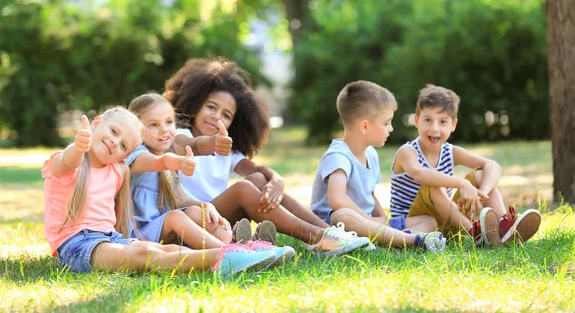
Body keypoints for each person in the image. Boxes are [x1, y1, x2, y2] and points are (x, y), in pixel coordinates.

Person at [164, 57, 370, 256]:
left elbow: (255, 170)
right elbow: (192, 146)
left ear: (233, 124)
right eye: (211, 107)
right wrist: (211, 144)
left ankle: (332, 233)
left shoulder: (225, 149)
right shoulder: (180, 136)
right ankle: (316, 237)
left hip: (217, 219)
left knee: (258, 180)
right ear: (194, 104)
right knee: (243, 189)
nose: (216, 117)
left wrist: (276, 180)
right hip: (190, 220)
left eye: (226, 115)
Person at [42, 106, 278, 277]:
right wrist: (78, 146)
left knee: (167, 249)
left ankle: (247, 251)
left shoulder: (116, 170)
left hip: (109, 238)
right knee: (146, 254)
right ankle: (230, 257)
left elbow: (161, 161)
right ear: (97, 123)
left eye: (123, 145)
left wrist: (181, 163)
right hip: (77, 246)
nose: (115, 142)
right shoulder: (70, 163)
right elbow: (67, 161)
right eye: (113, 132)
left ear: (125, 156)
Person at [127, 92, 295, 265]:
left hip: (162, 231)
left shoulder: (167, 165)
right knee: (176, 217)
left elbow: (180, 200)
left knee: (198, 213)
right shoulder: (136, 156)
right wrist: (180, 162)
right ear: (135, 130)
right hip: (139, 236)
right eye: (153, 125)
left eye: (169, 122)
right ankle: (229, 255)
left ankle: (243, 246)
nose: (164, 129)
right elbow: (160, 162)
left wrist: (205, 206)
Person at [390, 84, 541, 247]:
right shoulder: (407, 151)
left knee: (481, 174)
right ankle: (476, 233)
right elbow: (419, 174)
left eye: (442, 122)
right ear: (417, 121)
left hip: (448, 222)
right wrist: (462, 183)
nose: (434, 128)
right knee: (434, 185)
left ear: (453, 125)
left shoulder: (450, 151)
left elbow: (493, 165)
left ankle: (504, 227)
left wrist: (481, 193)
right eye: (428, 120)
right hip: (414, 224)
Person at [310, 81, 446, 253]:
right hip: (336, 227)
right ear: (365, 126)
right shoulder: (338, 156)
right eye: (386, 123)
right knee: (342, 215)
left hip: (369, 222)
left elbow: (370, 194)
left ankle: (392, 240)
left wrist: (380, 217)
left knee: (429, 221)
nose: (391, 128)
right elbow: (337, 200)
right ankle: (411, 240)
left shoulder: (371, 153)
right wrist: (368, 219)